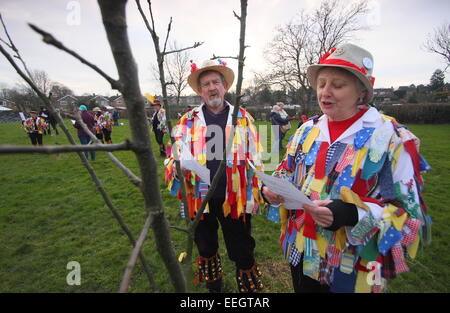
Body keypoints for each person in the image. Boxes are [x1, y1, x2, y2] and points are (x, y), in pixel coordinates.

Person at [261, 43, 432, 293]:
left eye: (337, 85)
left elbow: (409, 221)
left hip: (353, 265)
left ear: (361, 91)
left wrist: (351, 215)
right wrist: (271, 191)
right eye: (321, 84)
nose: (325, 92)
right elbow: (284, 173)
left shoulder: (391, 138)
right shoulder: (307, 130)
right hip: (303, 252)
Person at [164, 59, 265, 293]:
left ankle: (249, 291)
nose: (211, 88)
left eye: (215, 82)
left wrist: (255, 193)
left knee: (242, 249)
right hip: (200, 199)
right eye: (206, 84)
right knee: (206, 248)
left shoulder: (242, 118)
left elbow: (256, 158)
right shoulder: (186, 121)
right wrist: (179, 167)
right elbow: (171, 158)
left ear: (225, 86)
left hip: (235, 199)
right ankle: (214, 291)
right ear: (200, 91)